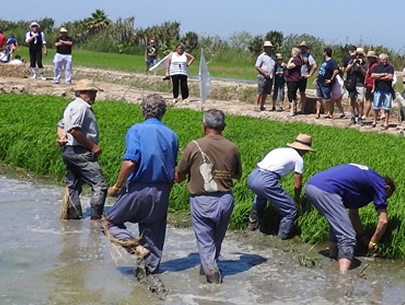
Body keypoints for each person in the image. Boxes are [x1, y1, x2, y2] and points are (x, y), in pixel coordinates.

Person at [103, 94, 179, 292]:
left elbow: (130, 162)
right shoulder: (172, 134)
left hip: (139, 186)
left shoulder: (137, 129)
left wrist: (117, 187)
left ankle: (137, 248)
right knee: (153, 232)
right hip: (162, 189)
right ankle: (150, 278)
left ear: (142, 110)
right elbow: (173, 168)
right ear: (163, 112)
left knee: (109, 224)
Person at [174, 109, 242, 284]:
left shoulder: (194, 145)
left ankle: (212, 275)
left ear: (204, 126)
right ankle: (206, 270)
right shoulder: (232, 147)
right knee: (216, 240)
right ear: (224, 127)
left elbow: (179, 177)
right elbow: (237, 175)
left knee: (205, 241)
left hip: (202, 200)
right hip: (226, 199)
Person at [304, 163, 396, 273]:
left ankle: (333, 258)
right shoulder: (380, 184)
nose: (382, 198)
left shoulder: (366, 181)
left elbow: (353, 215)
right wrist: (374, 242)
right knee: (348, 236)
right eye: (386, 196)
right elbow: (383, 221)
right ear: (387, 188)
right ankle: (343, 279)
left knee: (338, 225)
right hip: (327, 190)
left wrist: (363, 238)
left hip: (311, 186)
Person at [247, 134, 315, 239]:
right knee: (290, 210)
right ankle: (281, 239)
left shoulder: (279, 150)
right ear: (304, 150)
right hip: (266, 181)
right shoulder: (298, 159)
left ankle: (252, 226)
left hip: (252, 176)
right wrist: (297, 198)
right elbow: (298, 183)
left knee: (260, 198)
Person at [55, 83, 107, 221]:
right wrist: (93, 146)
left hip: (69, 151)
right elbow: (74, 130)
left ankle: (72, 217)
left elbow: (61, 126)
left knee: (73, 185)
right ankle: (96, 220)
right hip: (80, 152)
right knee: (100, 185)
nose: (95, 95)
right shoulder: (81, 107)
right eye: (92, 92)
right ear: (82, 93)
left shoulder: (72, 105)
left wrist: (62, 137)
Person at [371, 53, 395, 128]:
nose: (385, 61)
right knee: (376, 107)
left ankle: (386, 122)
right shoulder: (376, 67)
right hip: (378, 90)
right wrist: (383, 74)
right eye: (383, 60)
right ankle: (374, 121)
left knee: (387, 108)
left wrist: (379, 77)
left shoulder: (390, 67)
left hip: (387, 90)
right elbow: (372, 75)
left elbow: (390, 77)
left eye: (386, 60)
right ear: (380, 60)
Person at [343, 46, 366, 123]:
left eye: (360, 55)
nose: (358, 56)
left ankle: (360, 116)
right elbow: (346, 70)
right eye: (357, 54)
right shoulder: (351, 61)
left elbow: (365, 74)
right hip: (352, 83)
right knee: (352, 100)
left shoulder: (365, 64)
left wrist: (360, 67)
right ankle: (352, 116)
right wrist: (353, 63)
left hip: (360, 83)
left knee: (361, 101)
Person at [314, 47, 338, 119]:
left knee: (327, 99)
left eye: (323, 52)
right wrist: (317, 78)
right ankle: (317, 112)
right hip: (319, 82)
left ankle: (329, 113)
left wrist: (331, 79)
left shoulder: (332, 61)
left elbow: (336, 71)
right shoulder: (324, 61)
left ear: (325, 53)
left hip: (325, 83)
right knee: (319, 97)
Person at [253, 41, 275, 112]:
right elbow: (257, 66)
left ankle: (262, 105)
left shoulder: (272, 56)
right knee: (260, 91)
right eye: (268, 47)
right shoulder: (261, 56)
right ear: (265, 48)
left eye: (270, 47)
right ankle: (256, 106)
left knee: (266, 92)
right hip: (262, 76)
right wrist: (264, 73)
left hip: (270, 77)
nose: (269, 49)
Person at [298, 41, 318, 114]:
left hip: (303, 77)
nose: (302, 49)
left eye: (304, 47)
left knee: (302, 93)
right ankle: (295, 108)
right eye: (301, 47)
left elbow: (315, 65)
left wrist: (310, 74)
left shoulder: (308, 56)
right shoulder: (297, 55)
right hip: (295, 77)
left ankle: (302, 109)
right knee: (293, 93)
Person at [284, 47, 305, 116]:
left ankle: (292, 110)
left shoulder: (297, 60)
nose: (291, 53)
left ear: (296, 53)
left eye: (292, 52)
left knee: (291, 95)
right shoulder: (296, 60)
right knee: (291, 94)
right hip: (290, 79)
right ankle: (294, 109)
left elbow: (289, 67)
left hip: (293, 79)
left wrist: (290, 59)